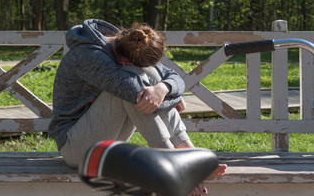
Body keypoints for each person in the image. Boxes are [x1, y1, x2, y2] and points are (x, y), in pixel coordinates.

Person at [48, 19, 226, 196]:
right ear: (127, 60)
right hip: (76, 147)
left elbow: (172, 77)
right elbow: (140, 98)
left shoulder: (130, 45)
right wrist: (172, 97)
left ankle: (187, 152)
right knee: (135, 86)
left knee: (150, 76)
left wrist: (165, 88)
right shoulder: (89, 56)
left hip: (107, 140)